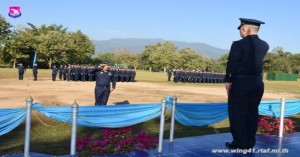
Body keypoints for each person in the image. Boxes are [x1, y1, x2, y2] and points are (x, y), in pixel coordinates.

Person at [225, 18, 269, 149]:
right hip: (257, 82)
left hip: (241, 82)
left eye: (241, 29)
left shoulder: (238, 44)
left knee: (238, 113)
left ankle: (240, 143)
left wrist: (228, 80)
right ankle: (250, 142)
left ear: (244, 29)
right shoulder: (265, 45)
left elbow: (232, 63)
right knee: (252, 113)